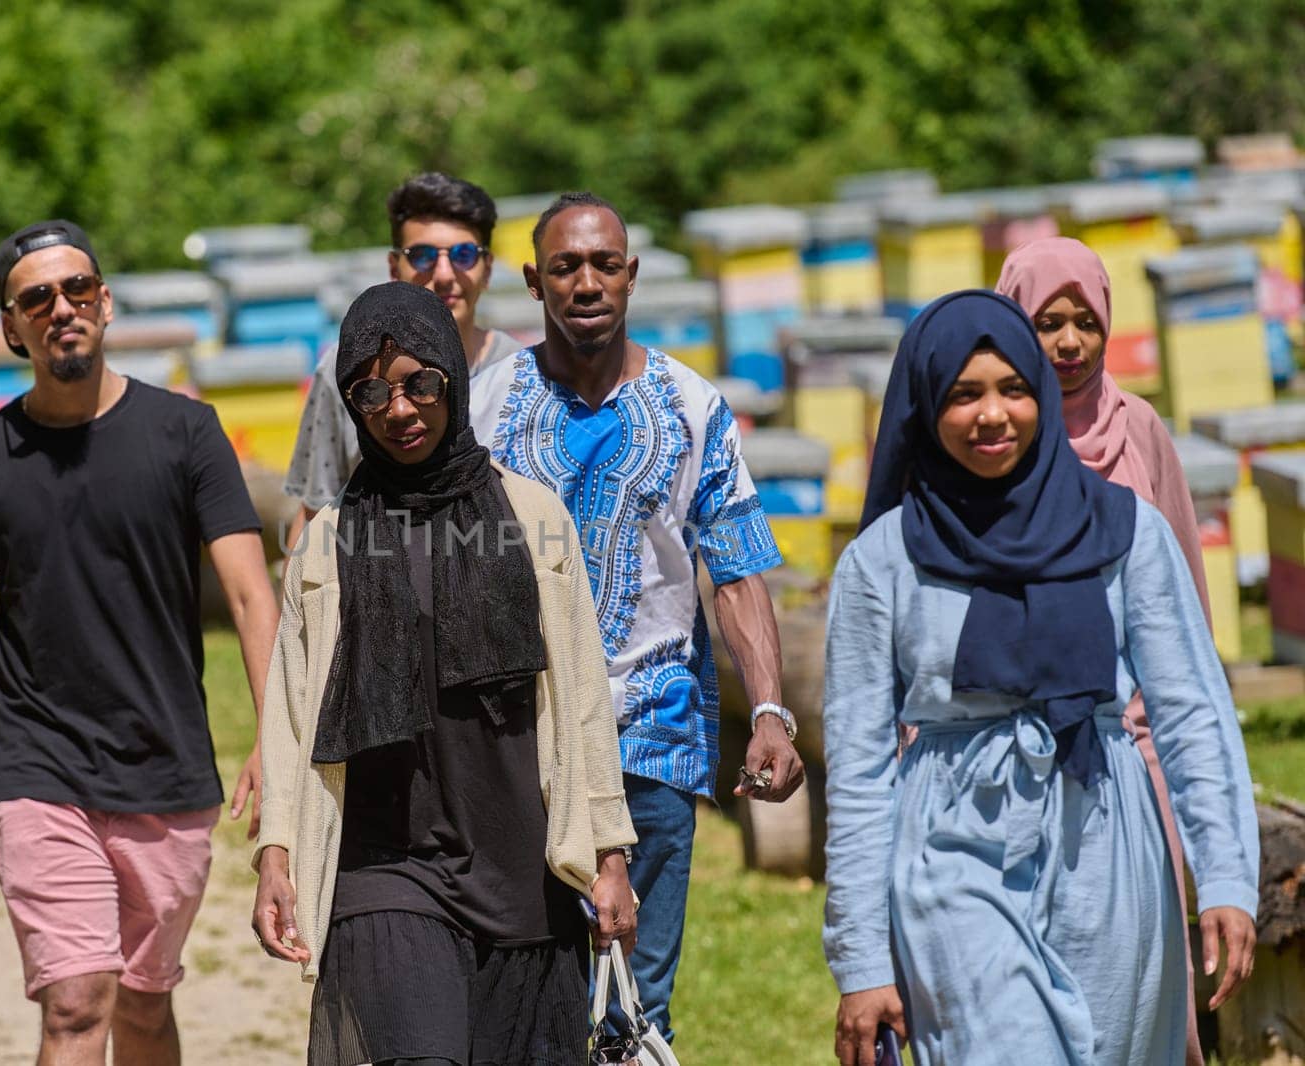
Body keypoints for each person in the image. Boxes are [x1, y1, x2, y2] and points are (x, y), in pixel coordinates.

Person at [823, 289, 1258, 1066]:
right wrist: (860, 959)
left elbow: (1192, 709)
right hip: (951, 845)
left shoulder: (1127, 531)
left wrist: (1225, 875)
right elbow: (856, 769)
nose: (993, 415)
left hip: (1106, 840)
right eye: (963, 394)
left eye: (1014, 389)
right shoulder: (881, 561)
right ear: (925, 404)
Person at [0, 220, 280, 1065]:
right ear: (12, 327)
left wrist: (274, 738)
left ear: (106, 304)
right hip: (39, 771)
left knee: (145, 1007)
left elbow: (255, 596)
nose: (61, 308)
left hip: (168, 769)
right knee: (78, 1005)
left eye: (78, 290)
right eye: (36, 298)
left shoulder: (188, 434)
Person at [251, 282, 638, 1066]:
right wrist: (276, 852)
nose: (399, 410)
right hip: (383, 873)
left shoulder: (534, 521)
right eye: (371, 392)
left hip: (521, 875)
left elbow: (583, 697)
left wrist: (608, 851)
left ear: (452, 382)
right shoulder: (328, 544)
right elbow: (291, 714)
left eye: (420, 382)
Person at [469, 192, 805, 1043]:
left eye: (604, 264)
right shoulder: (483, 409)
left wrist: (767, 709)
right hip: (517, 749)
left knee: (632, 1017)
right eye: (565, 266)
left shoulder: (694, 409)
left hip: (650, 743)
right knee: (520, 1009)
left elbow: (735, 571)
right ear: (533, 281)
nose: (586, 283)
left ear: (632, 275)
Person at [997, 236, 1213, 1064]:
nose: (1070, 343)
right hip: (1015, 759)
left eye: (1085, 321)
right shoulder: (987, 437)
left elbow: (1187, 593)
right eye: (1047, 323)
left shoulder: (1143, 431)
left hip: (1137, 756)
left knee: (1145, 989)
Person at [283, 172, 520, 545]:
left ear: (487, 269)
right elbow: (315, 518)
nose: (443, 275)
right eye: (423, 256)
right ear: (395, 268)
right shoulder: (340, 374)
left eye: (463, 255)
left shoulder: (521, 374)